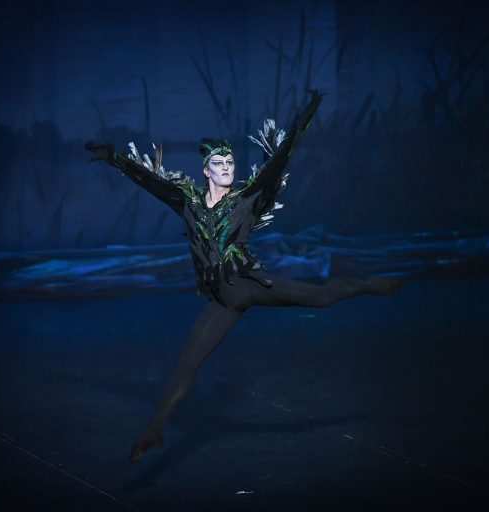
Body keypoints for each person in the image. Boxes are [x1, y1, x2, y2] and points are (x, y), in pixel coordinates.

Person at [85, 89, 401, 463]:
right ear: (205, 170)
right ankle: (153, 430)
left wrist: (303, 120)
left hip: (250, 285)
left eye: (231, 162)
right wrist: (115, 158)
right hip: (223, 300)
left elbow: (278, 162)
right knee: (188, 362)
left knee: (322, 297)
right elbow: (151, 181)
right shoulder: (187, 200)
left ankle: (369, 285)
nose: (226, 168)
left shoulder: (248, 199)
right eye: (218, 163)